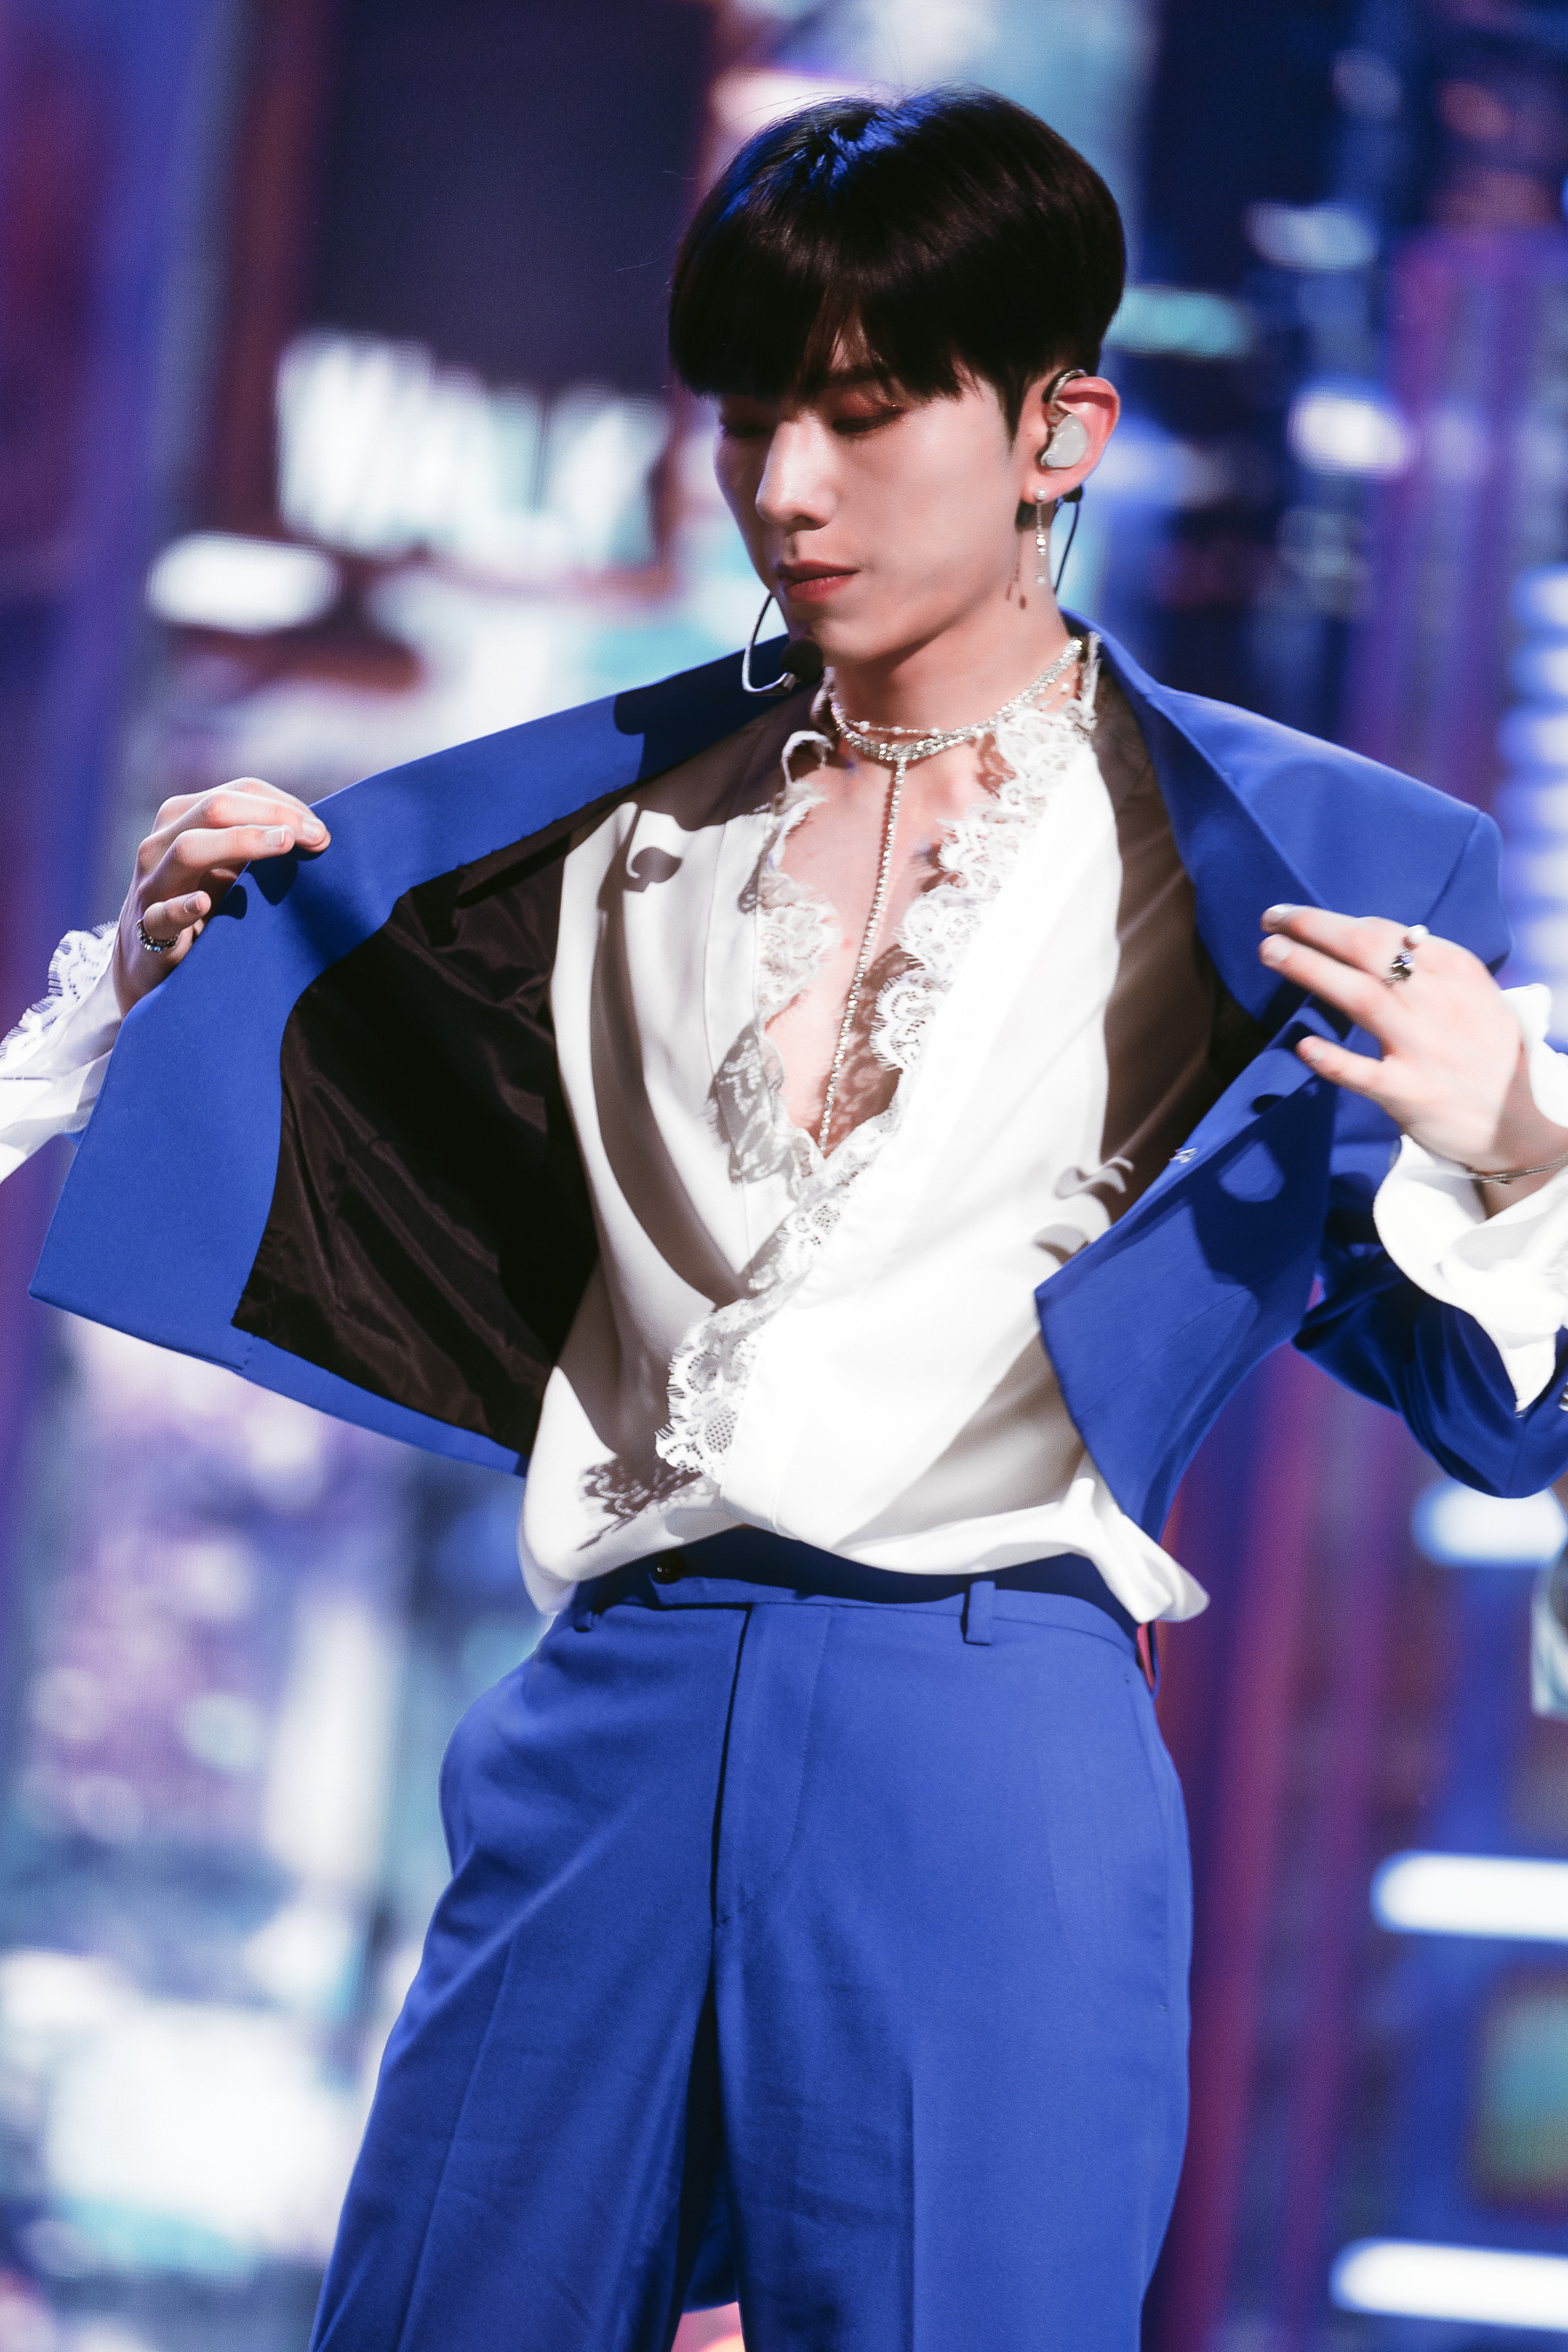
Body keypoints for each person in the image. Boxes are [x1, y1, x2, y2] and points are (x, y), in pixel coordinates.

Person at [5, 86, 1568, 2352]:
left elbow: (1499, 1413)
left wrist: (1513, 1145)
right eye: (751, 420)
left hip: (987, 1727)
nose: (789, 489)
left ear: (1059, 430)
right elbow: (375, 1146)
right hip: (613, 1707)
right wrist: (225, 956)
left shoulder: (1288, 867)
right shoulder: (589, 829)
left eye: (863, 411)